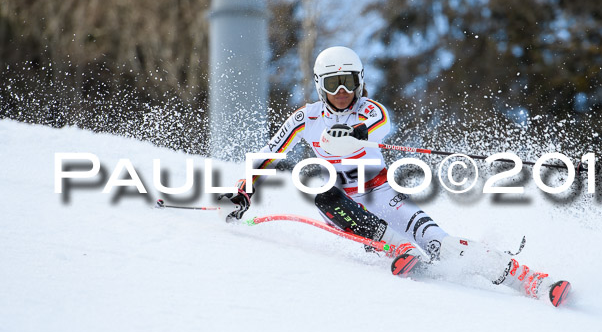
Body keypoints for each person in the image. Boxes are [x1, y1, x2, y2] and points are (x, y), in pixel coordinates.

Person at [219, 46, 571, 307]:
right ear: (319, 86)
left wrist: (357, 133)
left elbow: (382, 120)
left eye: (348, 82)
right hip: (344, 207)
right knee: (323, 192)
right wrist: (244, 193)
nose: (342, 92)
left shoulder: (366, 110)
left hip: (382, 194)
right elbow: (269, 155)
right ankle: (394, 247)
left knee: (442, 242)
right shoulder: (304, 119)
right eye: (333, 84)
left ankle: (532, 281)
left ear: (359, 83)